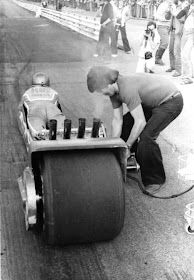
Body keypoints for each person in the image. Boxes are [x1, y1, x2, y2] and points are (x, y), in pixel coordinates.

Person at [87, 66, 183, 193]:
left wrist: (127, 146)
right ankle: (131, 157)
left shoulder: (126, 88)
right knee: (126, 124)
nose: (102, 93)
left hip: (171, 101)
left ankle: (155, 179)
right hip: (152, 101)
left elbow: (140, 121)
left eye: (101, 90)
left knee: (146, 137)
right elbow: (117, 120)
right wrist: (115, 146)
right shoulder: (114, 92)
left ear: (109, 83)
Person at [19, 72, 66, 140]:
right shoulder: (54, 92)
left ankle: (39, 132)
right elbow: (59, 108)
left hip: (36, 112)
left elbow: (21, 111)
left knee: (38, 133)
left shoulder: (26, 93)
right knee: (61, 129)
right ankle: (62, 130)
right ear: (47, 82)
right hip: (52, 110)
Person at [166, 0, 187, 77]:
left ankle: (178, 71)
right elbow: (167, 17)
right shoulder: (173, 6)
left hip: (178, 32)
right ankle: (172, 66)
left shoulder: (183, 7)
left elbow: (182, 20)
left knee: (176, 51)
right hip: (172, 30)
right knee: (170, 50)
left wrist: (174, 12)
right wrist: (169, 11)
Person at [177, 0, 194, 84]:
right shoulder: (189, 7)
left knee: (185, 55)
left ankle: (187, 77)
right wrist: (186, 7)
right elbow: (178, 16)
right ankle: (187, 75)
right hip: (185, 33)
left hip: (191, 34)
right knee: (185, 55)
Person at [155, 0, 172, 65]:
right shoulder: (163, 5)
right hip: (162, 25)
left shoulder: (172, 5)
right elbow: (156, 16)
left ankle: (157, 58)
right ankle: (158, 58)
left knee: (163, 42)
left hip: (168, 26)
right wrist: (165, 18)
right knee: (165, 42)